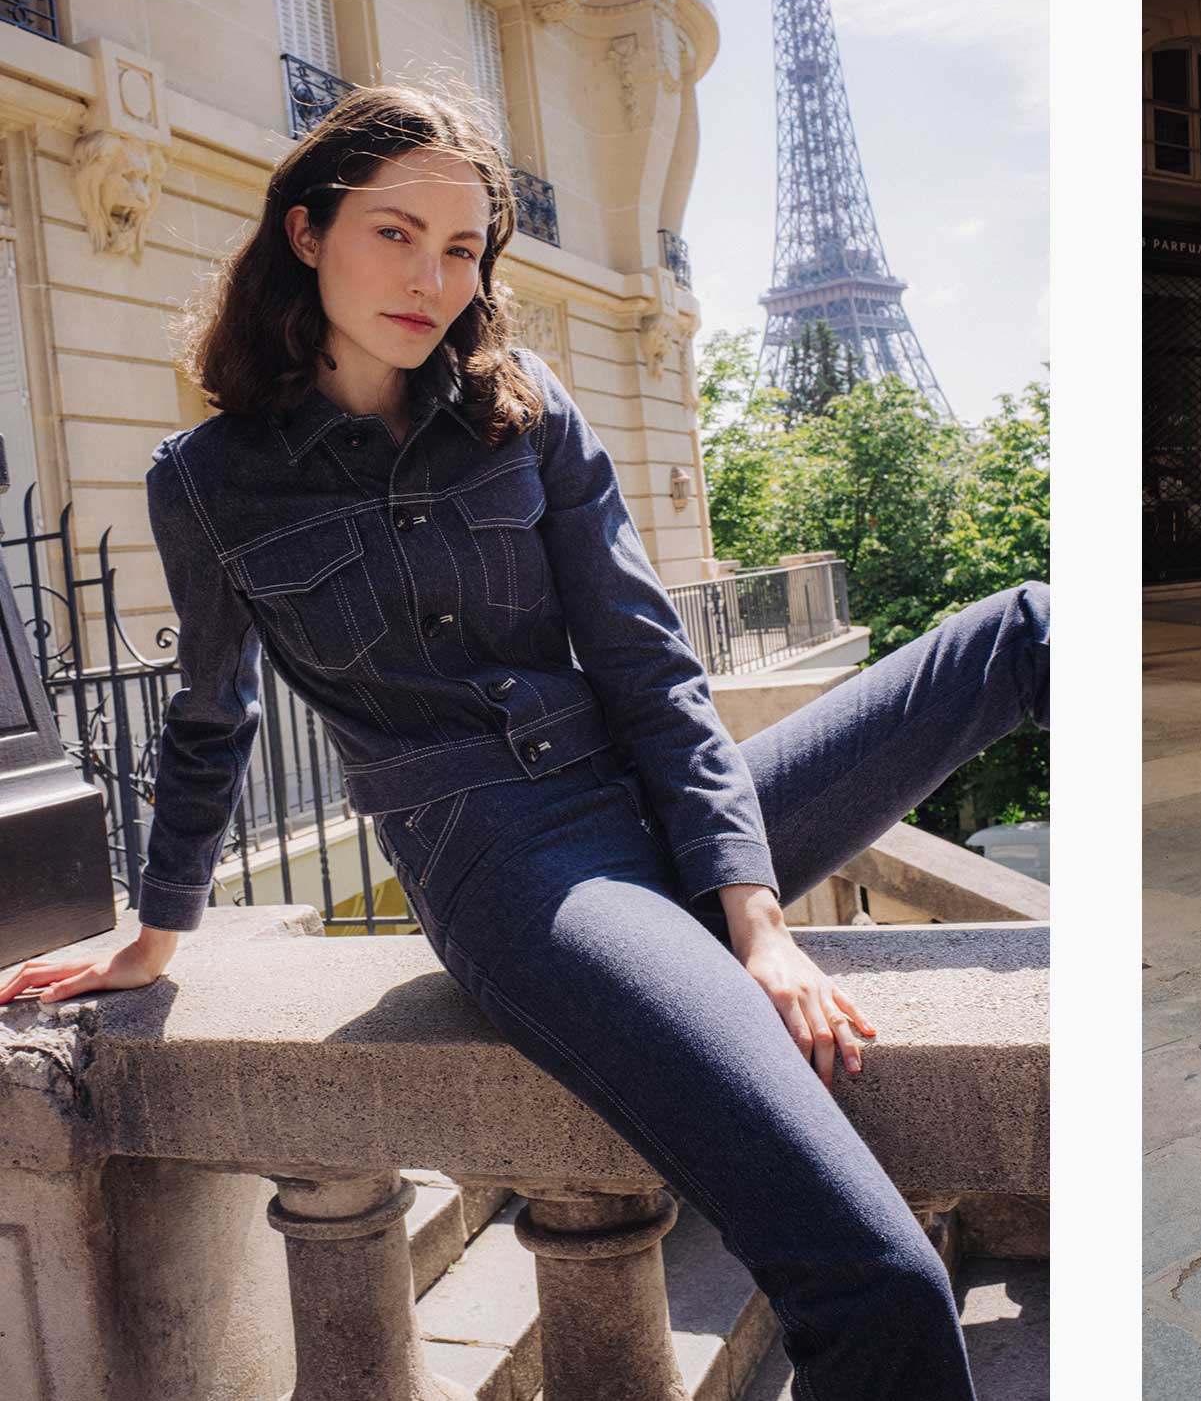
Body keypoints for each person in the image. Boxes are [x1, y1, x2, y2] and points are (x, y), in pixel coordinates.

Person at [0, 83, 1047, 1395]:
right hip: (515, 873)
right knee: (879, 1279)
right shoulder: (206, 479)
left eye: (461, 246)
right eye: (396, 232)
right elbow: (214, 713)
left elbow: (646, 663)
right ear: (309, 230)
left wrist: (757, 917)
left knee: (1026, 627)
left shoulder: (524, 404)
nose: (430, 276)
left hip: (649, 804)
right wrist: (155, 932)